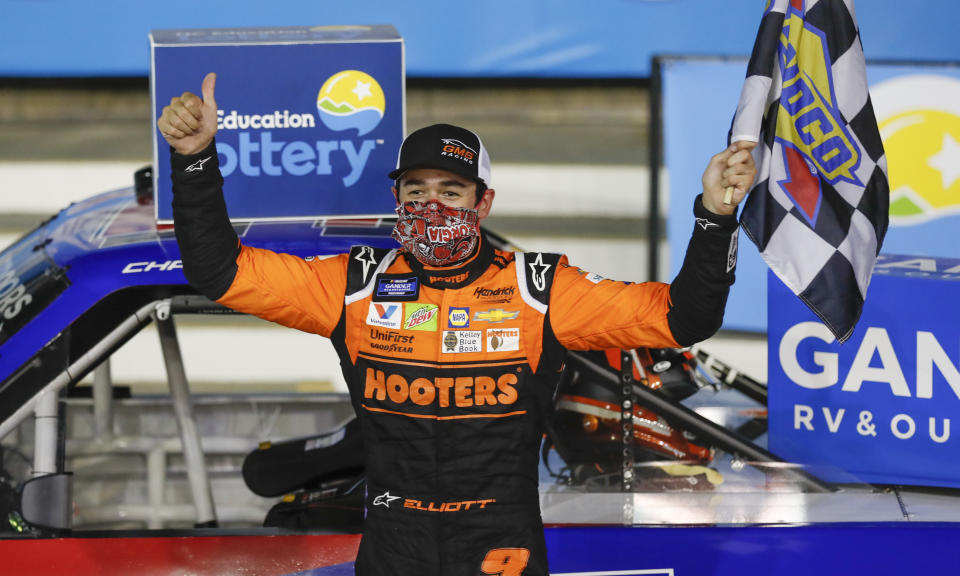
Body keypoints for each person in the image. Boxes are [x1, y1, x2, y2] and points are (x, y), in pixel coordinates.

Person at [159, 72, 756, 576]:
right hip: (395, 543)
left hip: (501, 544)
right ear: (396, 198)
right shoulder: (352, 284)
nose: (432, 205)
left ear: (483, 203)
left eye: (452, 190)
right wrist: (193, 162)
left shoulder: (538, 289)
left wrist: (715, 218)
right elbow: (222, 272)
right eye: (416, 190)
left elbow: (684, 318)